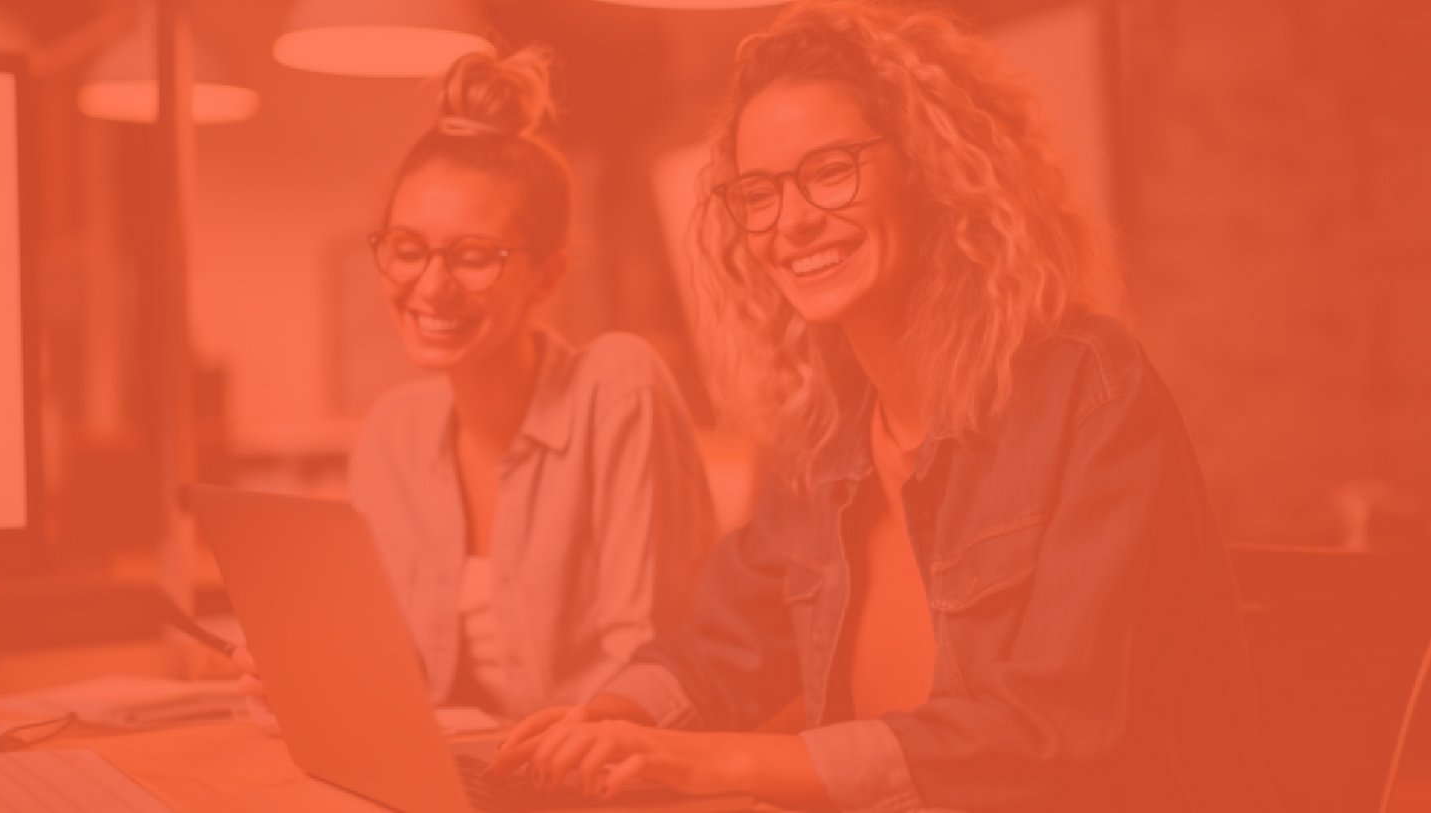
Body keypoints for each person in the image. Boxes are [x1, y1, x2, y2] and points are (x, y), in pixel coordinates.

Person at [489, 2, 1275, 811]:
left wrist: (709, 763)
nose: (789, 221)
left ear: (933, 165)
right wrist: (602, 720)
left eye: (830, 170)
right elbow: (724, 644)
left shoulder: (1090, 388)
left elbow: (1055, 728)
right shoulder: (820, 430)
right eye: (756, 192)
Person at [243, 47, 718, 722]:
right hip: (461, 771)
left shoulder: (617, 387)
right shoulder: (392, 433)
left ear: (547, 277)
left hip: (609, 779)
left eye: (472, 257)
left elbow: (651, 670)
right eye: (407, 247)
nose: (430, 286)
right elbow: (399, 673)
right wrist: (312, 673)